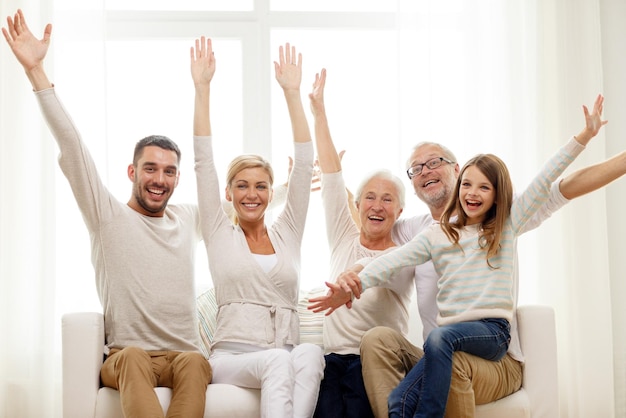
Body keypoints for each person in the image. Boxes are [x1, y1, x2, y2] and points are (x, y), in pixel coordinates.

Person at [311, 94, 607, 417]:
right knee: (381, 344)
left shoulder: (502, 220)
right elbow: (377, 242)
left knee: (449, 354)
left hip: (491, 357)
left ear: (456, 169)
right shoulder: (421, 231)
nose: (425, 170)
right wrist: (351, 276)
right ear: (413, 188)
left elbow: (554, 186)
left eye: (434, 161)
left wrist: (586, 140)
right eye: (416, 168)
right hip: (435, 352)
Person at [2, 9, 212, 418]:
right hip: (126, 358)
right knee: (132, 355)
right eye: (150, 168)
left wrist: (280, 188)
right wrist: (37, 73)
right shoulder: (108, 216)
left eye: (169, 171)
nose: (159, 179)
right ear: (132, 172)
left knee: (195, 362)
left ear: (177, 179)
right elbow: (72, 145)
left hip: (182, 355)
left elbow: (241, 207)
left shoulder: (187, 218)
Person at [190, 37, 325, 418]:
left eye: (261, 186)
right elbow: (203, 162)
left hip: (281, 352)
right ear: (229, 193)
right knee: (279, 362)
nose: (252, 194)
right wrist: (203, 89)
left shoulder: (287, 234)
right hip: (231, 356)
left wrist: (292, 95)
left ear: (270, 191)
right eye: (242, 186)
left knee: (312, 353)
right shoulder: (219, 233)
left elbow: (304, 162)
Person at [308, 68, 415, 418]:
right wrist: (319, 112)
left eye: (387, 200)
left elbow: (375, 270)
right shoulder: (343, 234)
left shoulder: (403, 255)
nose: (377, 205)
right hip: (332, 357)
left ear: (399, 210)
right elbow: (331, 176)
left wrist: (354, 274)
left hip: (374, 360)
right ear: (358, 205)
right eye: (370, 197)